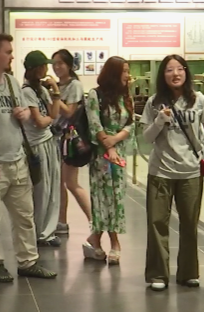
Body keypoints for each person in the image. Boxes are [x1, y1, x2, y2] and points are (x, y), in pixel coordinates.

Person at [0, 34, 57, 283]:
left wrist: (24, 114)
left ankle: (28, 261)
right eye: (8, 51)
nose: (12, 56)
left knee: (25, 216)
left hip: (17, 160)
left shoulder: (12, 83)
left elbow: (24, 113)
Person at [141, 55, 204, 290]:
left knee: (189, 224)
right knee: (157, 224)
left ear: (186, 73)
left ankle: (188, 272)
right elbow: (147, 137)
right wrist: (159, 120)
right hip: (161, 171)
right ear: (163, 75)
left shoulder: (198, 100)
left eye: (180, 69)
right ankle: (158, 275)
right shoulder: (154, 102)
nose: (175, 74)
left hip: (190, 172)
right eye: (169, 70)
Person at [83, 57, 134, 266]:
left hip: (118, 154)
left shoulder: (125, 95)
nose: (128, 75)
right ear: (114, 73)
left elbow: (131, 123)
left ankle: (95, 238)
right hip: (101, 155)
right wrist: (108, 146)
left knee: (116, 197)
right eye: (124, 71)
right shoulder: (95, 95)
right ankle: (114, 242)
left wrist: (116, 140)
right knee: (102, 198)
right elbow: (94, 124)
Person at [20, 51, 63, 247]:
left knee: (53, 187)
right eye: (44, 66)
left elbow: (54, 112)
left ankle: (48, 231)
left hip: (48, 141)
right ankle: (40, 232)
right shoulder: (27, 91)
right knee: (41, 190)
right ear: (36, 69)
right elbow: (39, 121)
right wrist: (49, 119)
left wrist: (55, 90)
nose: (47, 69)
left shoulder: (42, 90)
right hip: (36, 145)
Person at [51, 49, 89, 236]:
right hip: (56, 138)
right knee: (59, 183)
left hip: (70, 139)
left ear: (69, 65)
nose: (57, 67)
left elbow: (69, 112)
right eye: (54, 64)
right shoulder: (58, 85)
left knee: (71, 183)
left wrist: (55, 94)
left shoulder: (74, 85)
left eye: (60, 63)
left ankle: (95, 221)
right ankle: (61, 222)